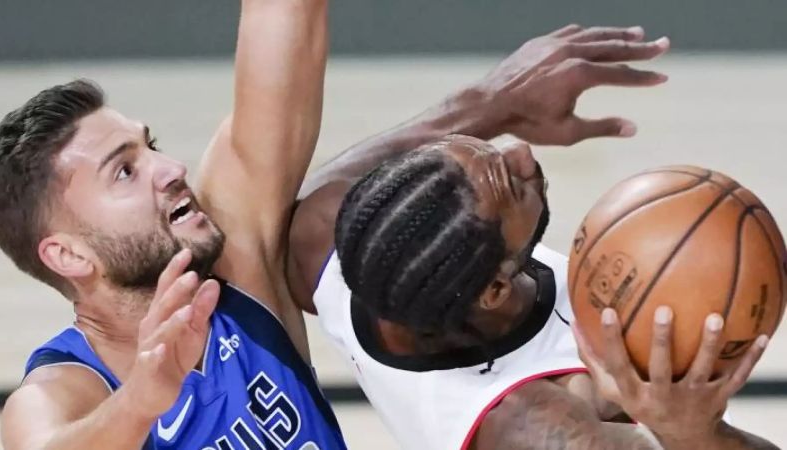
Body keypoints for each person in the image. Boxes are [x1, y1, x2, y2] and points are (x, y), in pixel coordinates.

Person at [286, 39, 778, 450]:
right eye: (510, 184)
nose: (520, 152)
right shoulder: (535, 426)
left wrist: (494, 104)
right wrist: (692, 433)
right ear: (495, 289)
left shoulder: (330, 241)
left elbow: (333, 192)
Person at [0, 1, 341, 448]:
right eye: (125, 171)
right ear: (69, 255)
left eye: (151, 146)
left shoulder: (241, 267)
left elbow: (284, 16)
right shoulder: (62, 390)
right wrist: (138, 402)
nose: (170, 168)